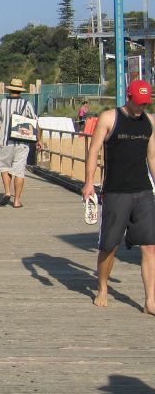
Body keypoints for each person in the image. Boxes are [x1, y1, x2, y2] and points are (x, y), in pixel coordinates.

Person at [83, 80, 155, 312]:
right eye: (138, 102)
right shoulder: (109, 118)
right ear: (128, 96)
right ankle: (102, 287)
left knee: (150, 247)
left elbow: (152, 158)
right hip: (115, 191)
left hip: (143, 191)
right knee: (109, 246)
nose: (141, 107)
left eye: (145, 103)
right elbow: (93, 150)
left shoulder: (150, 122)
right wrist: (88, 183)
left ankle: (150, 300)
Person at [0, 78, 42, 208]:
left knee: (5, 168)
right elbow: (35, 123)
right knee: (19, 171)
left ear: (10, 89)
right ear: (20, 90)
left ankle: (7, 192)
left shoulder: (1, 103)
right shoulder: (26, 104)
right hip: (22, 142)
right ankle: (16, 200)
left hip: (5, 142)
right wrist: (38, 140)